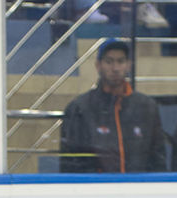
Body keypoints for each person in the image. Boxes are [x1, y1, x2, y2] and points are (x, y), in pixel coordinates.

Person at [60, 38, 167, 174]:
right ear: (98, 65)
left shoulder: (147, 107)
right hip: (96, 192)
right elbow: (70, 164)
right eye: (109, 61)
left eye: (120, 61)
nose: (115, 68)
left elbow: (158, 160)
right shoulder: (79, 108)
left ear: (129, 65)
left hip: (138, 192)